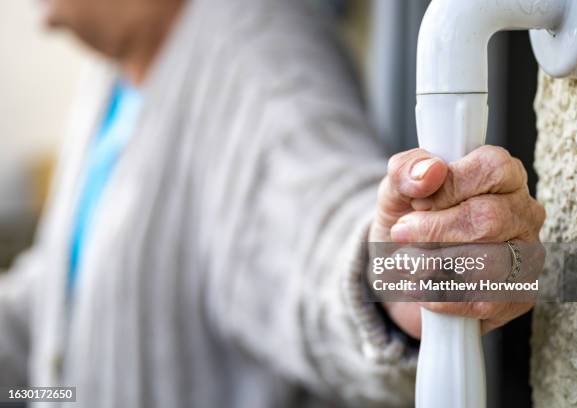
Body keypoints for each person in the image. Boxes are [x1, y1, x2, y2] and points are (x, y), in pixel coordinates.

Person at [0, 0, 545, 406]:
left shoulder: (256, 46)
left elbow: (310, 227)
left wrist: (392, 276)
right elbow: (58, 292)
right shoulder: (112, 76)